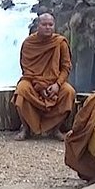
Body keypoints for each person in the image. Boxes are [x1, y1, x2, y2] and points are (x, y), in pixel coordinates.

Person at [12, 12, 76, 140]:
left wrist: (57, 85)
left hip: (54, 82)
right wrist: (39, 86)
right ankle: (26, 128)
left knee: (69, 92)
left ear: (54, 26)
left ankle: (55, 129)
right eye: (44, 24)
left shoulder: (60, 42)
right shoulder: (29, 43)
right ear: (37, 26)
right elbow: (26, 68)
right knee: (22, 90)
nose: (48, 27)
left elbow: (66, 67)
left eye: (50, 25)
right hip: (32, 81)